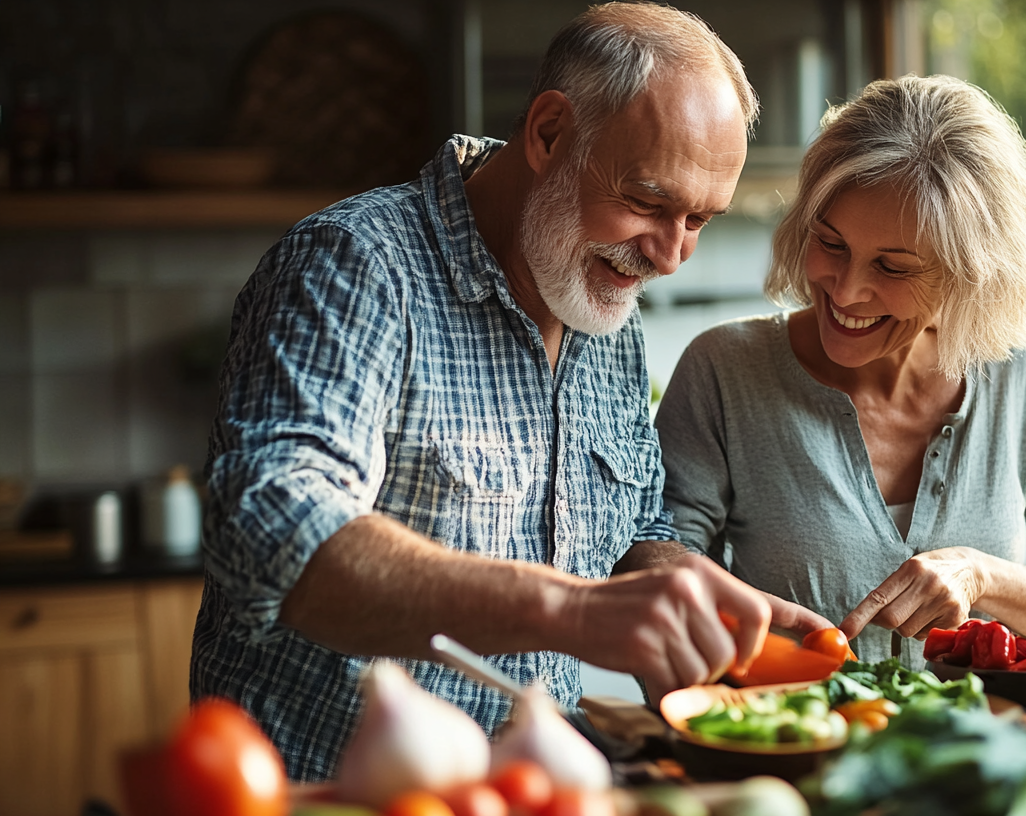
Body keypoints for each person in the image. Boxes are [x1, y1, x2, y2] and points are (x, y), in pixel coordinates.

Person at [192, 3, 809, 781]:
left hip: (533, 789)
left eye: (700, 220)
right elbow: (273, 531)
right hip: (339, 794)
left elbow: (628, 525)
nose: (671, 255)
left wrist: (668, 574)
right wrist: (571, 610)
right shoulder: (355, 267)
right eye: (650, 202)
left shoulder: (601, 300)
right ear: (549, 134)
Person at [655, 75, 1026, 671]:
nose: (848, 290)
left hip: (994, 757)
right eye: (831, 244)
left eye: (893, 266)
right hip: (794, 752)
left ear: (969, 276)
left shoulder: (1022, 380)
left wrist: (980, 575)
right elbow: (659, 579)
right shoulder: (725, 372)